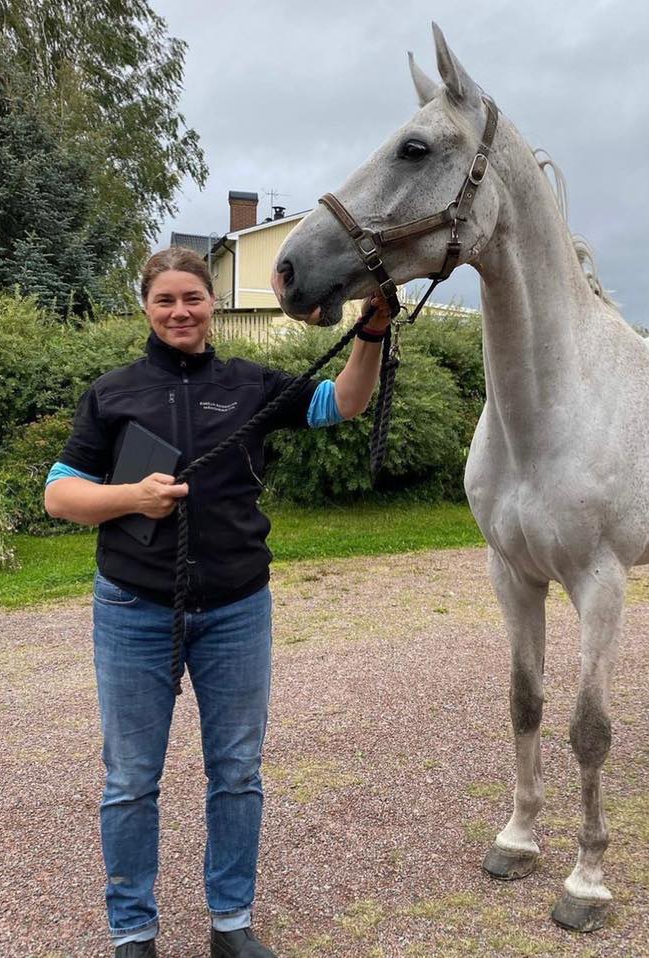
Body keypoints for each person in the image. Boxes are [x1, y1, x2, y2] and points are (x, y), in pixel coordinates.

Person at [44, 247, 391, 958]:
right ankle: (132, 930)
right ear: (145, 306)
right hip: (134, 609)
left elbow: (344, 403)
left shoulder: (249, 385)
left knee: (236, 772)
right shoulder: (113, 393)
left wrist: (371, 335)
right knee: (132, 779)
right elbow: (59, 495)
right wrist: (130, 498)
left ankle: (230, 923)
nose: (180, 312)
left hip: (237, 608)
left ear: (213, 305)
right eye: (165, 300)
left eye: (192, 299)